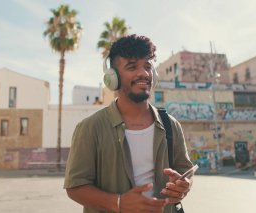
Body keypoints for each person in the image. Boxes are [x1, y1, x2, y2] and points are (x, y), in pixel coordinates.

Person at [64, 34, 194, 213]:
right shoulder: (90, 128)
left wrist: (183, 186)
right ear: (113, 77)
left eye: (147, 66)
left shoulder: (171, 125)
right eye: (132, 67)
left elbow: (185, 170)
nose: (143, 73)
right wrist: (117, 203)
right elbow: (75, 187)